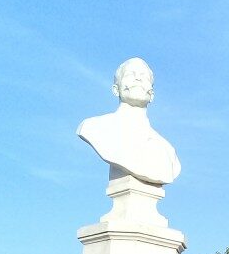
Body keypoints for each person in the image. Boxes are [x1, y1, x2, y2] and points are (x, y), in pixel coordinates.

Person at [76, 58, 181, 186]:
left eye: (144, 76)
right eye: (130, 74)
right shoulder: (94, 128)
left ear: (152, 94)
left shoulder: (167, 150)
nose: (138, 78)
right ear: (116, 89)